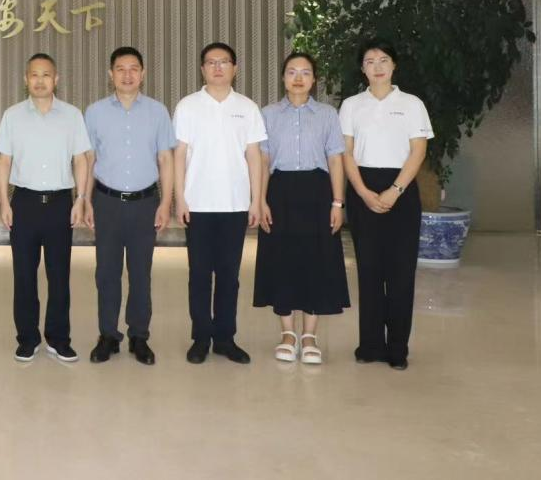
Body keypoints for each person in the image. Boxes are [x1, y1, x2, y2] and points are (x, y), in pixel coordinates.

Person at [339, 39, 433, 371]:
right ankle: (370, 345)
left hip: (401, 188)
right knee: (368, 269)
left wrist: (395, 190)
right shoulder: (351, 105)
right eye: (369, 61)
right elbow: (346, 152)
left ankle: (397, 348)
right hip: (362, 186)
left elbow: (418, 151)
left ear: (394, 65)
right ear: (362, 68)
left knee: (400, 271)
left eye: (383, 60)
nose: (377, 66)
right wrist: (362, 192)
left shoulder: (411, 104)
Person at [253, 52, 350, 365]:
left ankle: (309, 335)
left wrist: (338, 202)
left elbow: (335, 158)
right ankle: (287, 334)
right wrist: (260, 200)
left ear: (314, 79)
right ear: (283, 77)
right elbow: (263, 160)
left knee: (316, 260)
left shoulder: (327, 114)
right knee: (281, 260)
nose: (298, 78)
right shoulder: (267, 114)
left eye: (305, 72)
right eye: (292, 72)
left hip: (318, 192)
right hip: (279, 191)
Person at [172, 42, 266, 365]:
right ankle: (201, 338)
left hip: (235, 205)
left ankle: (225, 338)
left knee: (229, 275)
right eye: (211, 62)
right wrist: (180, 198)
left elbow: (254, 156)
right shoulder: (188, 106)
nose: (217, 67)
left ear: (234, 69)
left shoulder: (247, 108)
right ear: (202, 69)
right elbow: (179, 155)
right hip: (197, 204)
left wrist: (256, 200)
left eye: (224, 62)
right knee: (199, 275)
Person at [0, 53, 92, 363]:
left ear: (56, 79)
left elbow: (81, 159)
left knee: (59, 276)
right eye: (34, 75)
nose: (40, 80)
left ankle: (59, 339)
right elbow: (4, 161)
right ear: (26, 80)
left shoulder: (72, 115)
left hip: (60, 203)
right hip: (24, 203)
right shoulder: (12, 115)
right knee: (24, 276)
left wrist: (81, 199)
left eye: (46, 75)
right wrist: (3, 202)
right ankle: (27, 338)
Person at [83, 46, 175, 366]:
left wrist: (166, 202)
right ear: (110, 74)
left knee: (140, 273)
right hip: (106, 202)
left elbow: (166, 159)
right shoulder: (95, 112)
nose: (127, 74)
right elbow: (88, 160)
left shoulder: (158, 112)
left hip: (145, 203)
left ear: (143, 73)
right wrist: (84, 200)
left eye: (133, 68)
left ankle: (139, 336)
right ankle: (108, 335)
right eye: (120, 69)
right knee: (106, 273)